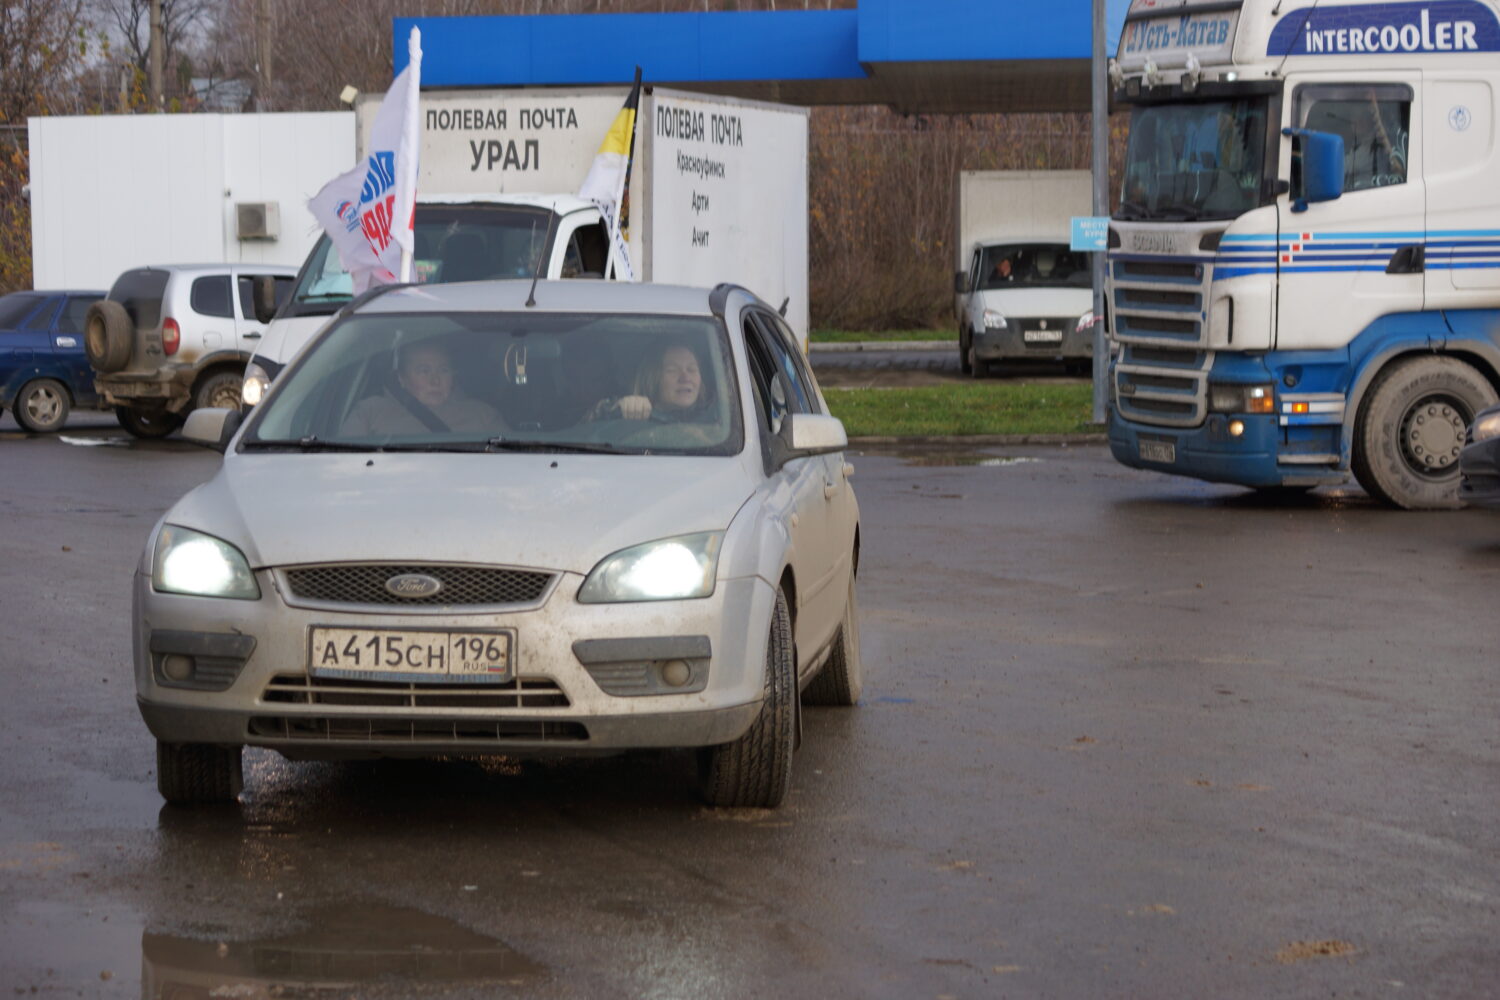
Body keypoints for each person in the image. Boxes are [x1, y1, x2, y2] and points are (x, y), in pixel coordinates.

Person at [341, 340, 504, 435]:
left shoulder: (482, 415)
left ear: (453, 377)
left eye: (443, 370)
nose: (435, 380)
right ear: (401, 378)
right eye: (423, 371)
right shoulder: (370, 412)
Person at [591, 343, 713, 423]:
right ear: (652, 378)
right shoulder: (628, 415)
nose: (685, 377)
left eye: (692, 369)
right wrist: (620, 407)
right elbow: (588, 427)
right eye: (672, 370)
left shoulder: (717, 419)